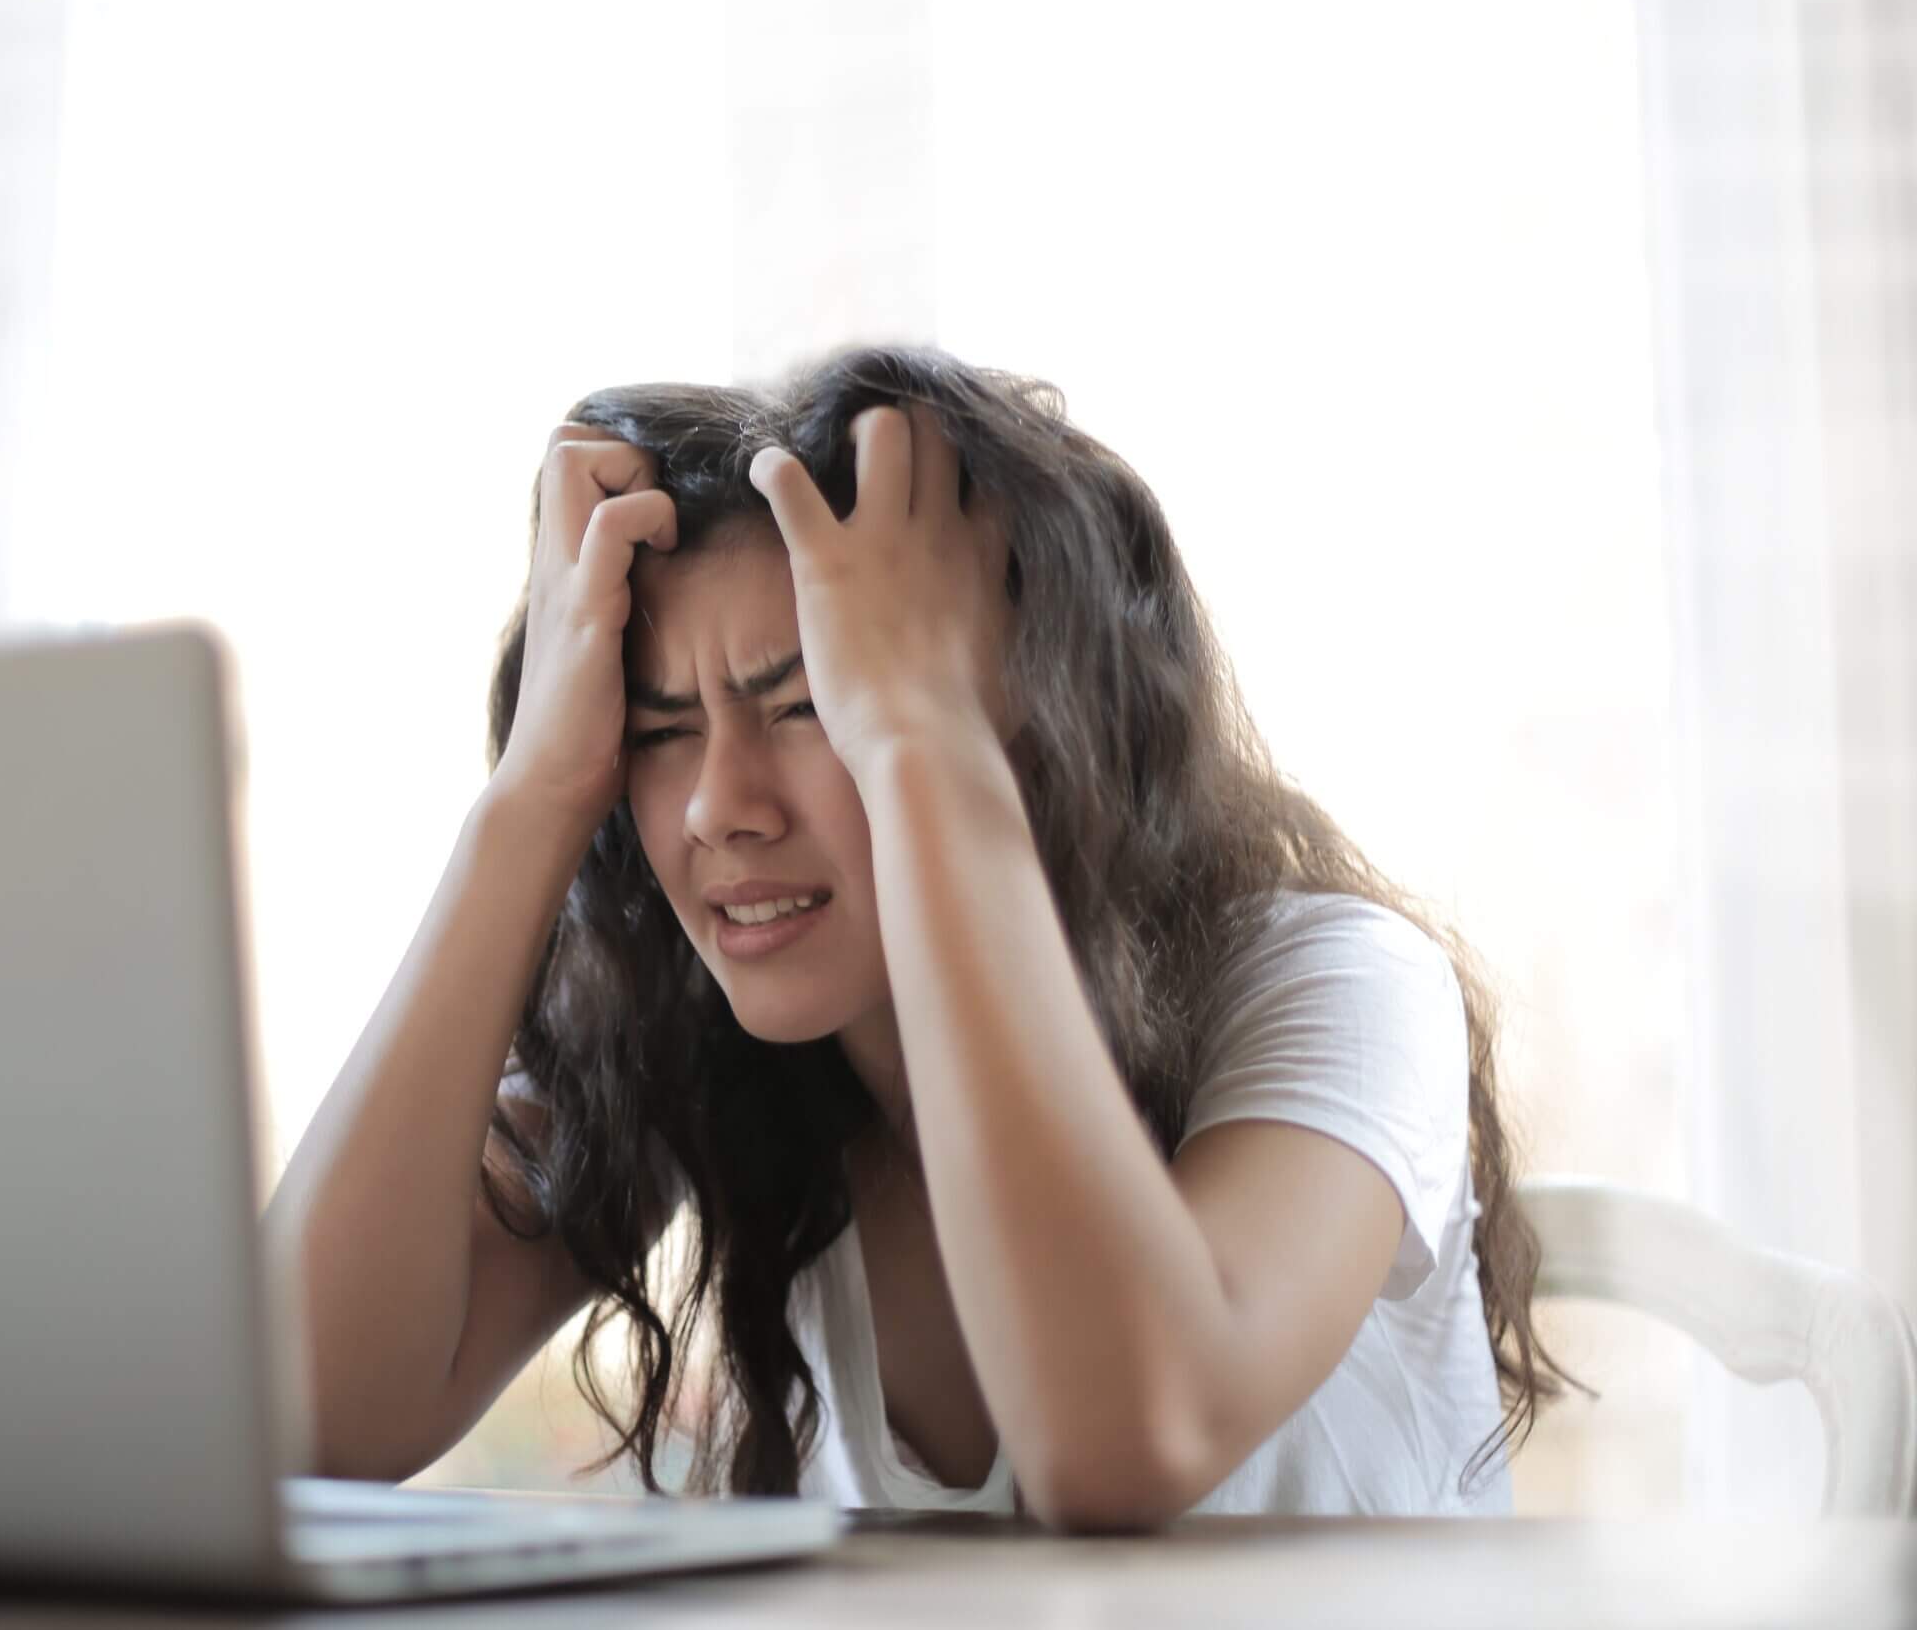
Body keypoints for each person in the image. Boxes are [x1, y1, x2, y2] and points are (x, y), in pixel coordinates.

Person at [266, 344, 1578, 1528]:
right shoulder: (717, 1049)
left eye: (814, 705)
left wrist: (920, 745)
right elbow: (303, 1418)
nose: (721, 807)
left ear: (1030, 717)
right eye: (658, 732)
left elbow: (1124, 1441)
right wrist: (532, 797)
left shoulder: (1338, 983)